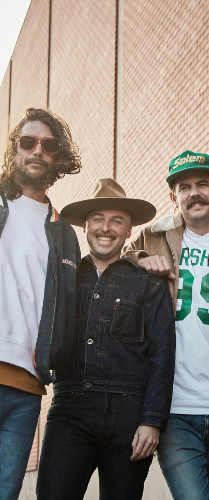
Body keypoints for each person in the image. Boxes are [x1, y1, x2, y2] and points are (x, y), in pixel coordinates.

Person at [36, 179, 175, 500]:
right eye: (97, 218)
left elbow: (163, 355)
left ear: (128, 231)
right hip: (69, 409)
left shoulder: (149, 284)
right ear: (85, 226)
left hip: (130, 416)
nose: (105, 228)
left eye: (116, 221)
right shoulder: (64, 278)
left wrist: (152, 421)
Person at [123, 151, 209, 499]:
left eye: (202, 184)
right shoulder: (154, 237)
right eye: (184, 187)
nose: (194, 193)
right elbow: (118, 261)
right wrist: (141, 259)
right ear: (174, 197)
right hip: (174, 412)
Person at [0, 108, 82, 499]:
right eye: (28, 141)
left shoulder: (64, 233)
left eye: (48, 145)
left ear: (58, 157)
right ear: (14, 149)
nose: (37, 150)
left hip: (27, 387)